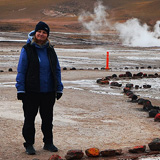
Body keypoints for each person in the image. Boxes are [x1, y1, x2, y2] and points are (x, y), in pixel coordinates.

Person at [15, 21, 63, 155]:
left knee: (48, 119)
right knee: (29, 119)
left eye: (44, 32)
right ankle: (29, 144)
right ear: (35, 33)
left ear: (47, 35)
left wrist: (59, 88)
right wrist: (20, 89)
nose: (41, 34)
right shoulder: (27, 49)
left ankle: (48, 142)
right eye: (39, 32)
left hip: (48, 91)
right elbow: (21, 70)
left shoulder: (50, 50)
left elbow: (57, 70)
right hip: (31, 91)